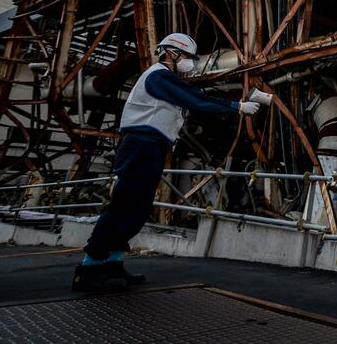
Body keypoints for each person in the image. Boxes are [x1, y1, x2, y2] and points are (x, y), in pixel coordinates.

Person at [72, 33, 262, 291]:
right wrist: (235, 107)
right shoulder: (158, 76)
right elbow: (194, 98)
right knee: (124, 204)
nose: (190, 62)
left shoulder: (167, 79)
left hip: (153, 146)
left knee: (138, 207)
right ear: (171, 53)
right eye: (186, 56)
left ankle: (113, 263)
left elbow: (192, 97)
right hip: (140, 144)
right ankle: (89, 267)